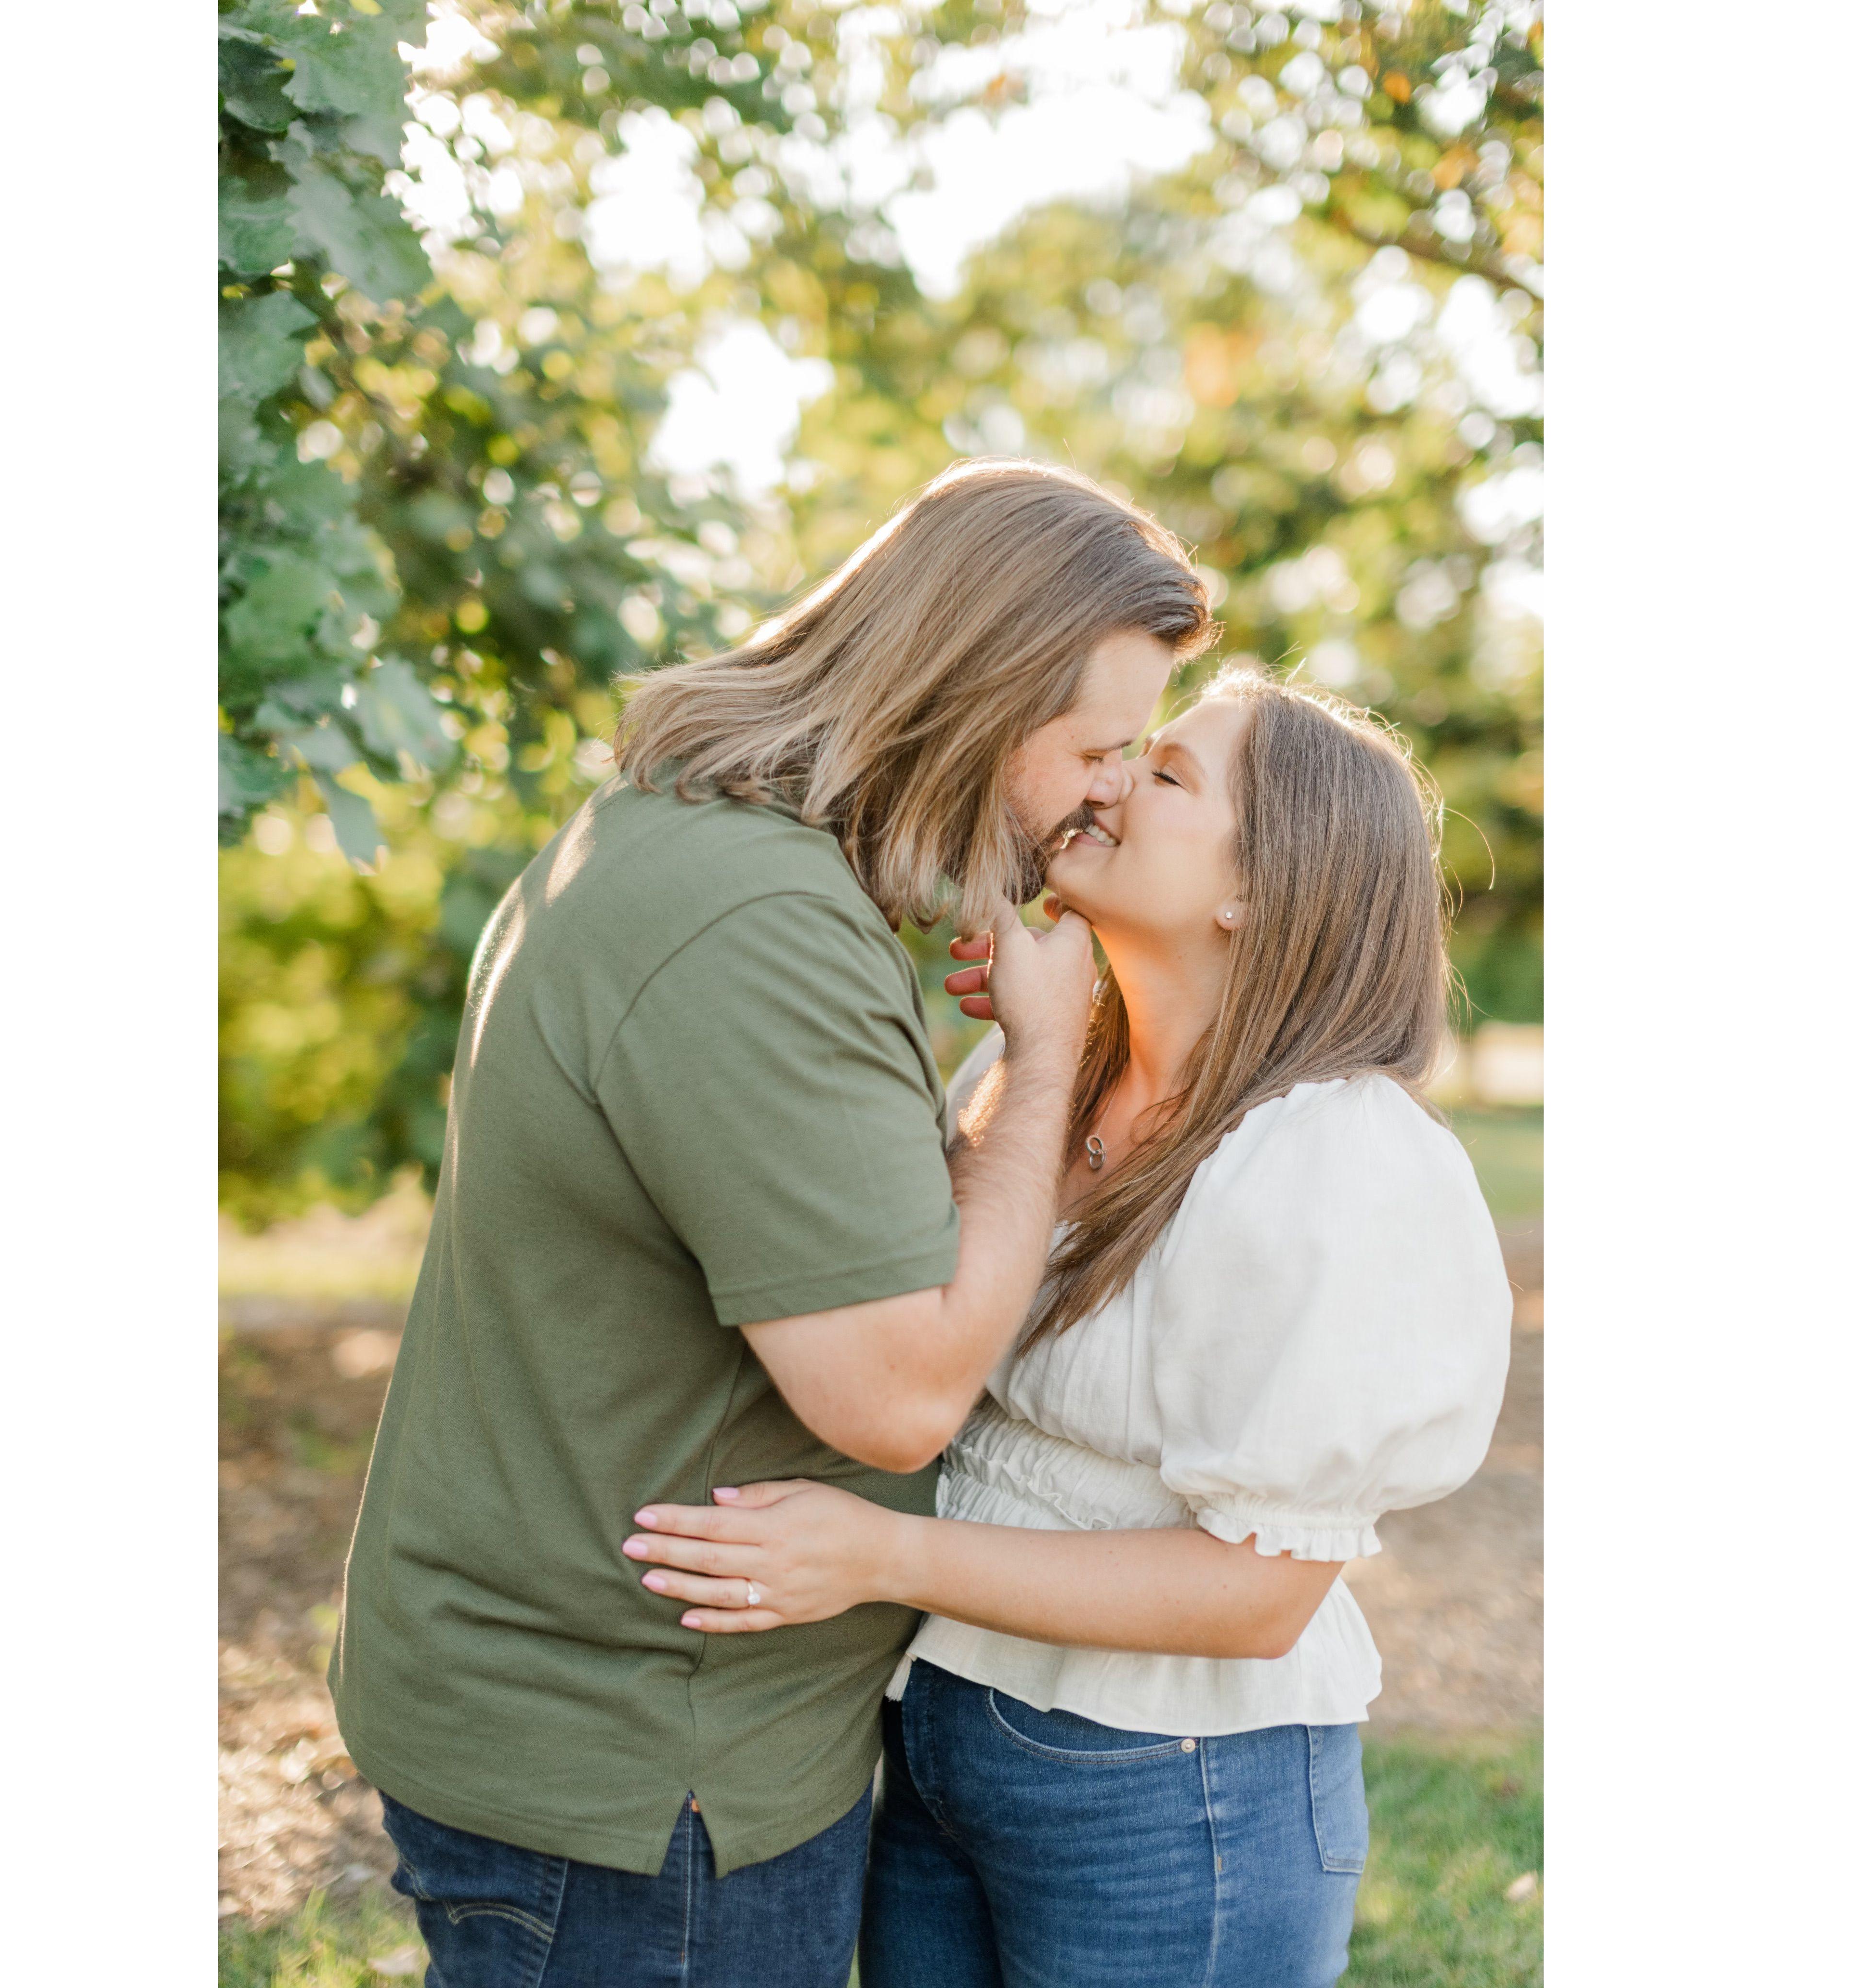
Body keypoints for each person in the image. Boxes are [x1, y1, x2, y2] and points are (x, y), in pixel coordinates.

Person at [328, 459, 1214, 1987]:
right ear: (978, 697)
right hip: (637, 1773)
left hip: (630, 1727)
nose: (1111, 794)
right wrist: (1053, 1053)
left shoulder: (705, 848)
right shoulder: (757, 928)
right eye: (1095, 748)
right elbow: (895, 1393)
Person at [624, 665, 1513, 1988]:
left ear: (1258, 888)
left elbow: (1259, 1595)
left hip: (1174, 1788)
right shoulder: (1051, 1061)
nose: (1109, 779)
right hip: (947, 1735)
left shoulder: (1339, 1160)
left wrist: (877, 1554)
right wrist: (1039, 1056)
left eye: (1166, 774)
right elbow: (937, 1326)